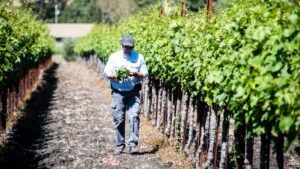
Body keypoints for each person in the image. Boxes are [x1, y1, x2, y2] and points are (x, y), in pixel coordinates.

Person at [103, 34, 148, 154]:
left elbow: (144, 73)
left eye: (130, 47)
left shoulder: (139, 57)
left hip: (133, 92)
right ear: (121, 45)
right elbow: (107, 72)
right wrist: (115, 76)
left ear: (133, 46)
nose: (128, 49)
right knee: (119, 119)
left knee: (134, 117)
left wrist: (135, 74)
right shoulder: (114, 57)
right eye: (125, 47)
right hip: (118, 92)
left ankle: (133, 144)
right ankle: (120, 145)